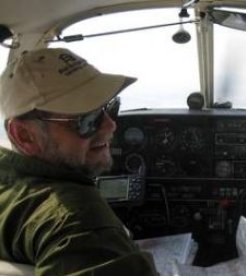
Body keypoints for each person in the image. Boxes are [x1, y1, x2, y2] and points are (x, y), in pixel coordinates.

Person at [0, 48, 157, 275]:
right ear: (25, 136)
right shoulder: (80, 220)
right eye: (87, 119)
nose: (110, 125)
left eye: (109, 108)